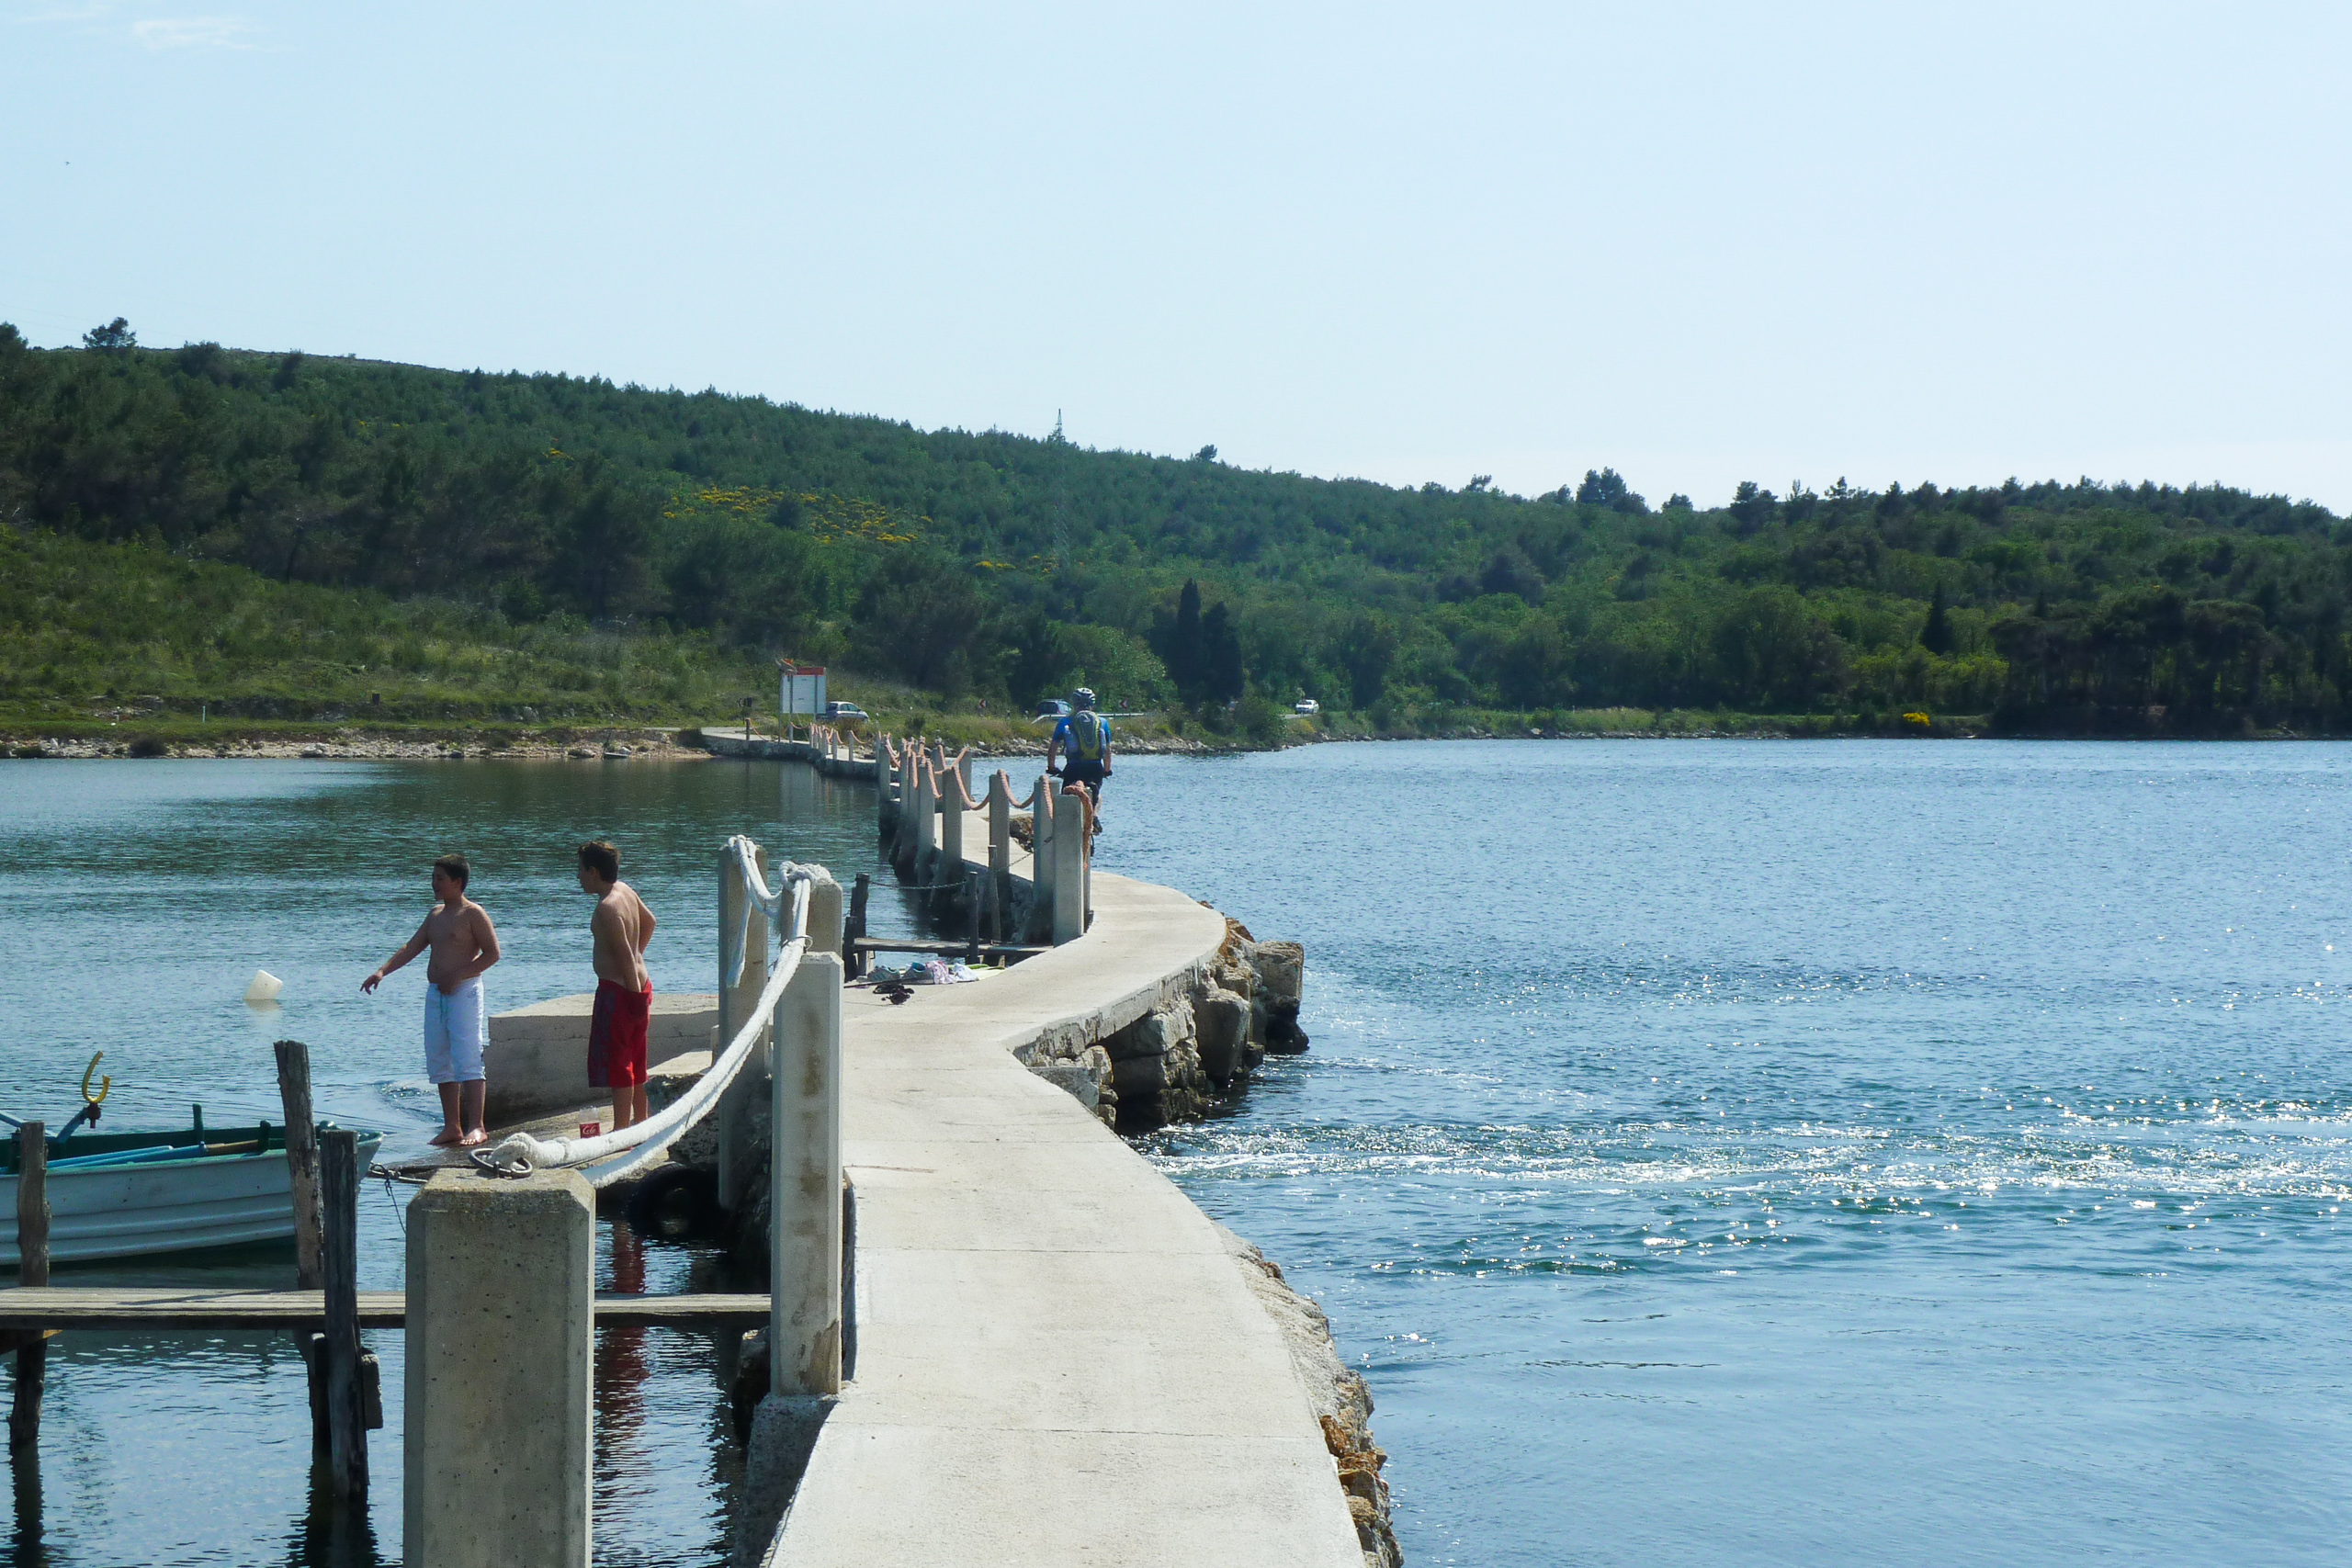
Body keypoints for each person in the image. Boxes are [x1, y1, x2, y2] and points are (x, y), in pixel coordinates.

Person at [362, 853, 501, 1147]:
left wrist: (460, 975)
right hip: (436, 993)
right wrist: (382, 971)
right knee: (439, 1059)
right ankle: (452, 1126)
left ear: (458, 882)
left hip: (465, 992)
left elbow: (492, 954)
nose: (434, 883)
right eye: (433, 877)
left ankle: (478, 1126)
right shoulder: (435, 914)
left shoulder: (474, 914)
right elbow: (412, 947)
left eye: (440, 878)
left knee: (467, 1056)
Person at [577, 840, 658, 1132]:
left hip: (621, 993)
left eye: (581, 870)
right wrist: (639, 959)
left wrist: (632, 994)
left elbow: (624, 954)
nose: (578, 877)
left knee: (620, 1064)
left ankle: (622, 1130)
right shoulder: (624, 889)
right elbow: (650, 922)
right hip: (639, 985)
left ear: (595, 872)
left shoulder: (607, 908)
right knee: (636, 1059)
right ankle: (641, 1124)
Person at [1046, 687, 1112, 808]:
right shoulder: (1102, 722)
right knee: (1096, 796)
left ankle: (1067, 822)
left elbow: (1053, 748)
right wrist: (1107, 770)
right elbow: (1107, 750)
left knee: (1067, 797)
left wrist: (1051, 767)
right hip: (1095, 768)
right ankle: (1094, 819)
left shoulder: (1065, 722)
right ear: (1092, 704)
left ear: (1074, 704)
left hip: (1074, 767)